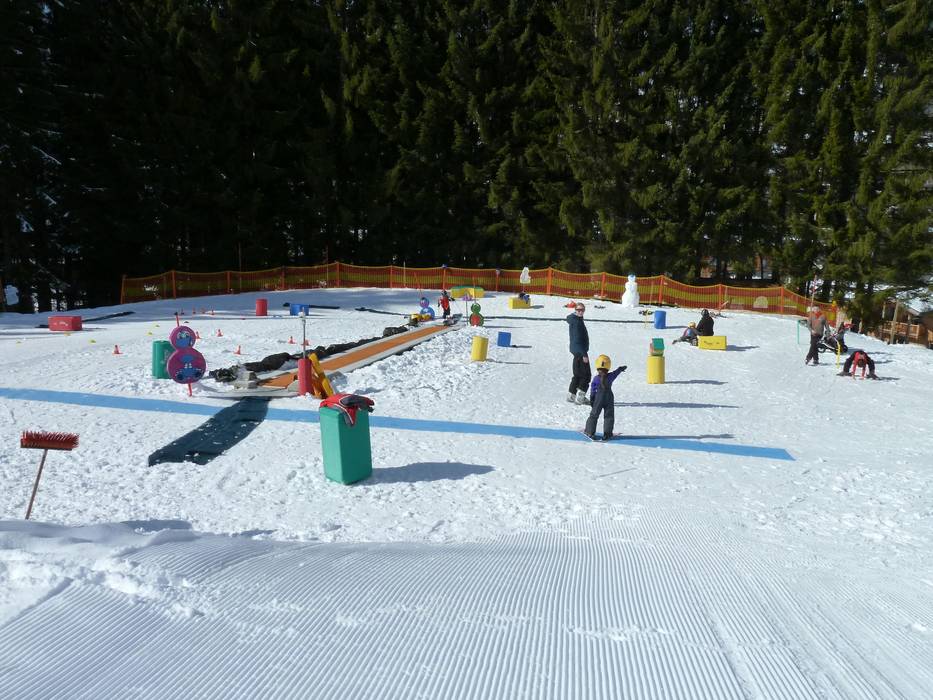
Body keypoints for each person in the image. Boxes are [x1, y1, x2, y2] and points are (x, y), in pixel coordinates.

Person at [584, 355, 627, 440]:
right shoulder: (610, 376)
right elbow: (616, 373)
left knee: (594, 414)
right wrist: (620, 369)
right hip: (609, 397)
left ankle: (589, 431)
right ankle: (607, 434)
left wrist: (592, 399)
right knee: (609, 416)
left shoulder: (596, 379)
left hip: (599, 398)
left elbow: (593, 389)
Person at [565, 301, 591, 404]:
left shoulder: (575, 319)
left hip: (576, 351)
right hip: (580, 351)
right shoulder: (577, 322)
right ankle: (580, 397)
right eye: (578, 310)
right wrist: (584, 354)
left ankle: (571, 395)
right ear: (575, 310)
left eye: (582, 310)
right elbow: (577, 339)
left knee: (577, 374)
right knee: (586, 375)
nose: (580, 312)